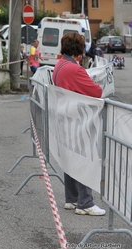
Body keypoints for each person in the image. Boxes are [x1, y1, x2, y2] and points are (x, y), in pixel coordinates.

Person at [52, 32, 106, 216]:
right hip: (78, 120)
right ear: (79, 49)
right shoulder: (74, 69)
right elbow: (96, 91)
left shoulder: (60, 64)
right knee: (84, 160)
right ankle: (86, 203)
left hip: (64, 118)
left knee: (70, 159)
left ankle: (71, 199)